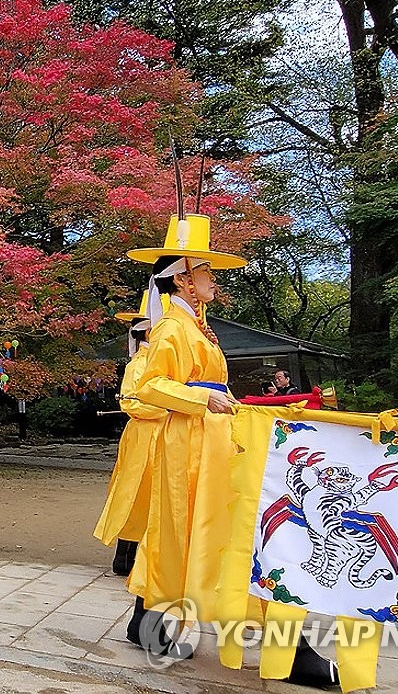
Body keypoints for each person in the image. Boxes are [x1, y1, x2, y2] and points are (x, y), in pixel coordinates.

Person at [125, 213, 336, 687]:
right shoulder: (172, 331)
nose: (214, 281)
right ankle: (277, 643)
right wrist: (202, 397)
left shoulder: (197, 328)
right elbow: (149, 386)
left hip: (212, 439)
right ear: (183, 277)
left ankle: (149, 619)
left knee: (207, 529)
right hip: (189, 444)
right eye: (207, 272)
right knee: (208, 529)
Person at [93, 291, 168, 576]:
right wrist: (168, 409)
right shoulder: (139, 364)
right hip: (143, 436)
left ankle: (136, 557)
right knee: (135, 495)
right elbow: (130, 402)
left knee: (152, 497)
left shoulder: (158, 361)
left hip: (159, 434)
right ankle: (125, 557)